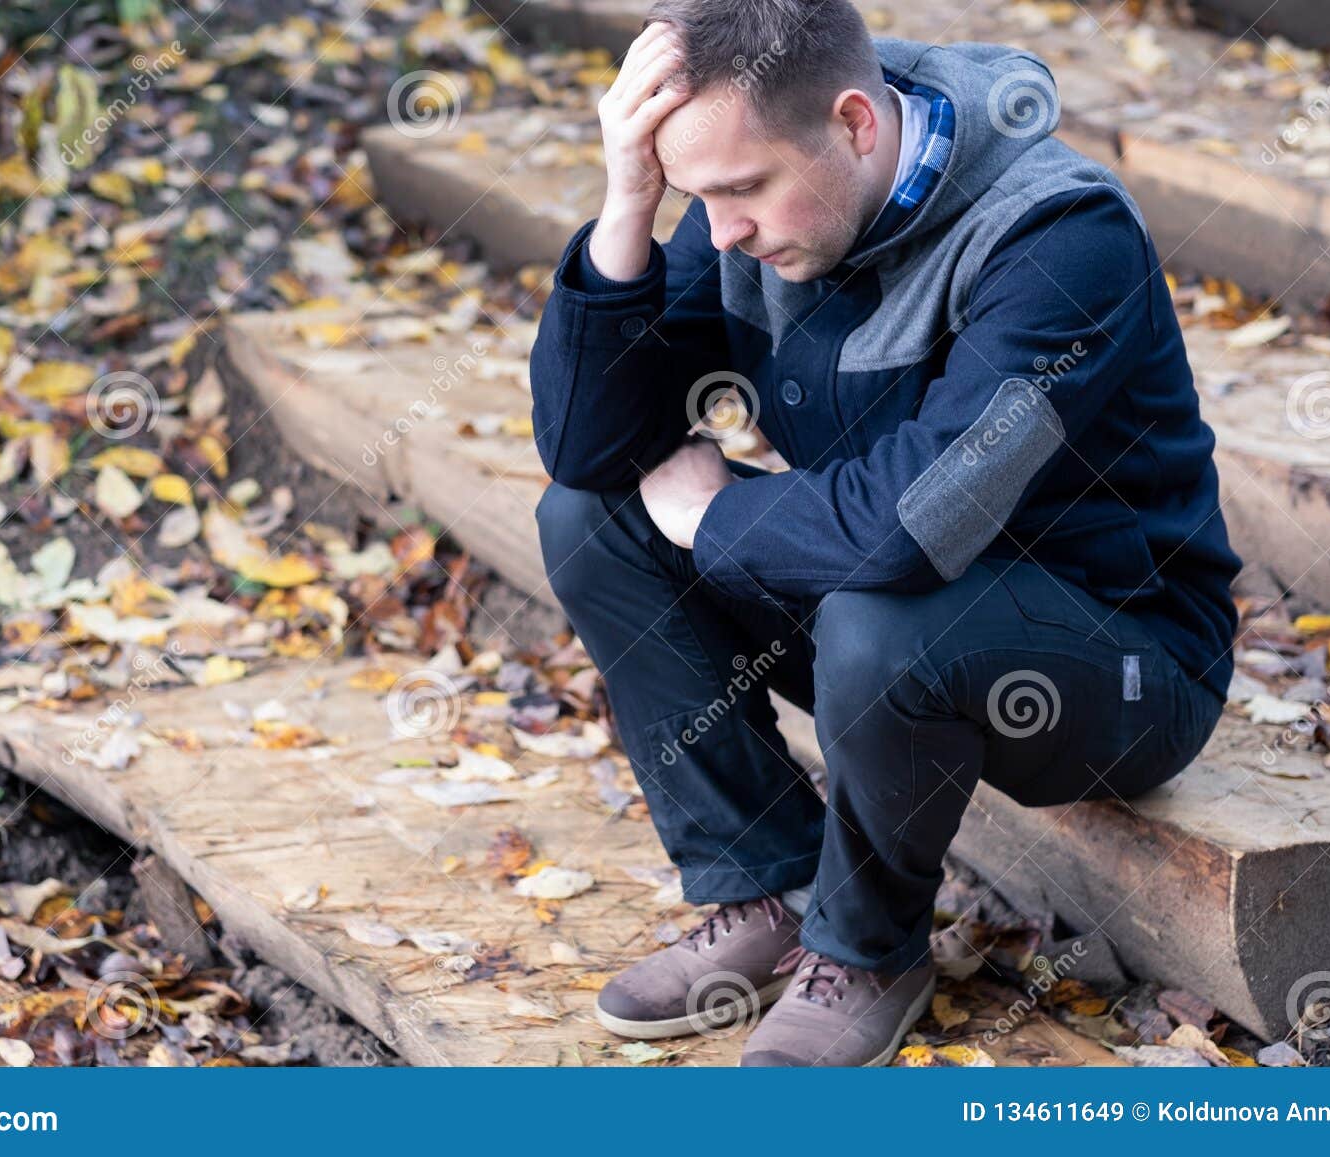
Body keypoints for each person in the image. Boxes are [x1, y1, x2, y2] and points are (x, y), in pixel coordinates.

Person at [529, 0, 1241, 1066]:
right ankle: (769, 883)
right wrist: (628, 207)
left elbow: (922, 518)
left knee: (873, 604)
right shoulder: (744, 204)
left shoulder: (1059, 236)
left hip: (1121, 659)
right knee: (590, 520)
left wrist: (716, 512)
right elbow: (586, 449)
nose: (721, 230)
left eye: (738, 192)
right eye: (693, 195)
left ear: (857, 124)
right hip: (900, 624)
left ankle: (867, 949)